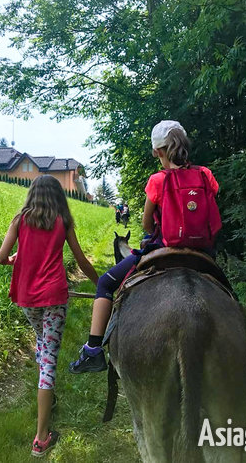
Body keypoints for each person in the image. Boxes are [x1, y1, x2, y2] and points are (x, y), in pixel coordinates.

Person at [69, 120, 220, 374]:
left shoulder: (158, 181)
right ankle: (242, 356)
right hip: (202, 251)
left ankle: (93, 350)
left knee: (106, 282)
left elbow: (147, 223)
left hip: (164, 246)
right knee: (225, 289)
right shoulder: (205, 175)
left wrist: (156, 233)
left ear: (159, 152)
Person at [0, 175, 99, 457]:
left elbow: (1, 256)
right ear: (57, 196)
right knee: (49, 362)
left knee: (42, 342)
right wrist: (102, 282)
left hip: (28, 298)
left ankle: (47, 401)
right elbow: (80, 258)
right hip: (54, 297)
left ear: (33, 194)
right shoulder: (62, 221)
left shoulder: (20, 219)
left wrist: (14, 258)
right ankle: (42, 438)